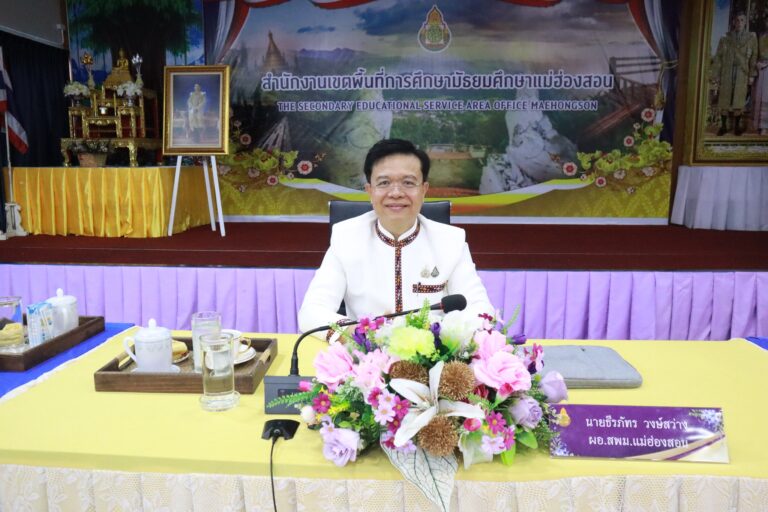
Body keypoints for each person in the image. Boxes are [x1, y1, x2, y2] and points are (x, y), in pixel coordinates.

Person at [298, 139, 493, 340]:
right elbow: (311, 312)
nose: (396, 193)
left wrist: (438, 337)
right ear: (370, 191)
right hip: (365, 352)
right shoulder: (346, 238)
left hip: (432, 353)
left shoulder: (451, 242)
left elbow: (482, 311)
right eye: (384, 183)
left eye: (408, 183)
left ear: (424, 190)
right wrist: (356, 334)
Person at [710, 13, 758, 136]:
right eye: (737, 20)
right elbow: (718, 57)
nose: (739, 23)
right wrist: (716, 74)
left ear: (745, 22)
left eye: (742, 20)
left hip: (742, 72)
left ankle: (737, 127)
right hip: (727, 71)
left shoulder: (751, 38)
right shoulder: (725, 38)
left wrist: (751, 74)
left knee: (739, 99)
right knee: (724, 99)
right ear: (733, 22)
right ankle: (723, 126)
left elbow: (754, 57)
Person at [752, 19, 768, 135]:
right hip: (762, 69)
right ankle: (762, 126)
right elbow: (756, 53)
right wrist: (758, 63)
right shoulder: (761, 36)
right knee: (762, 96)